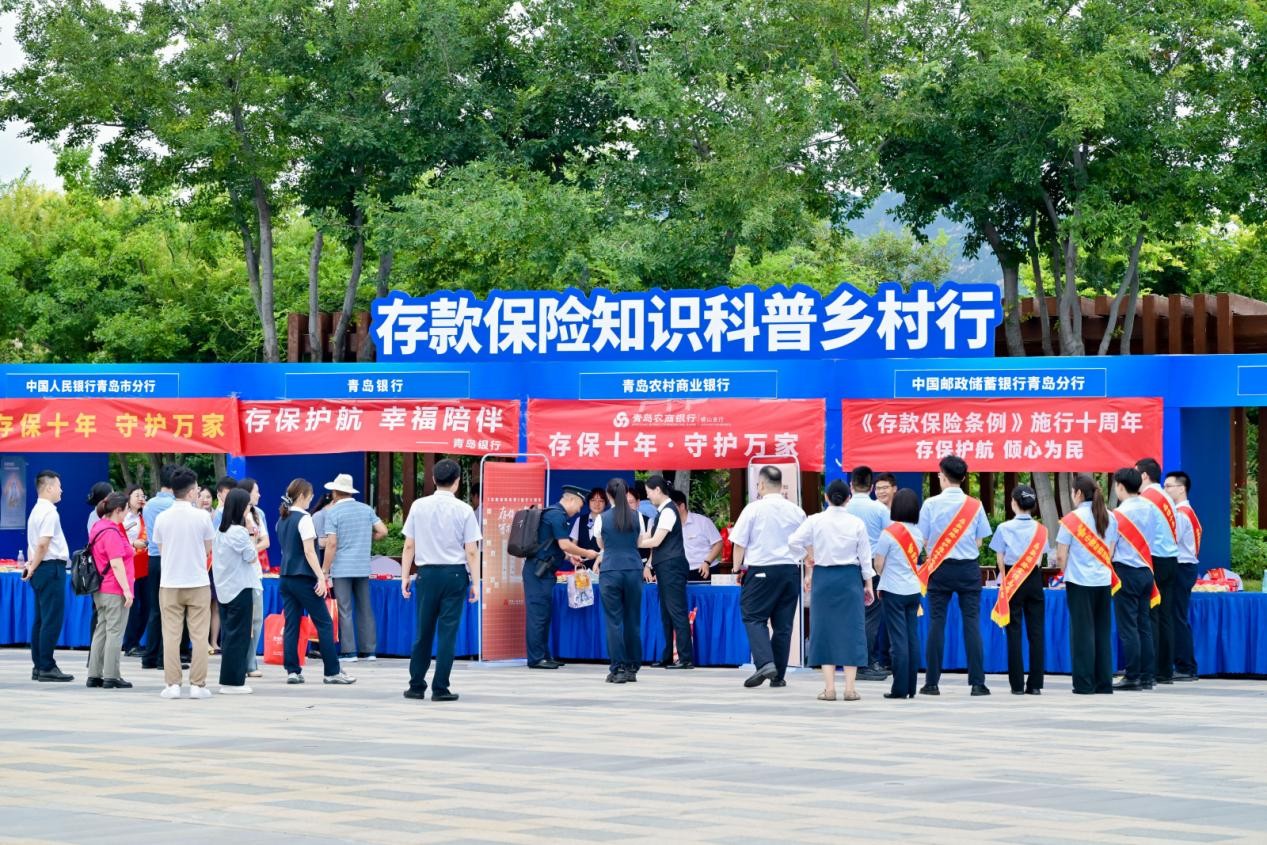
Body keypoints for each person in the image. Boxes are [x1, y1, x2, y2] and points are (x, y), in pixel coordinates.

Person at [401, 459, 480, 701]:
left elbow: (409, 545)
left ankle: (416, 686)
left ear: (434, 479)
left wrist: (404, 576)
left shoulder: (418, 506)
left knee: (423, 632)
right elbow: (471, 551)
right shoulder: (465, 510)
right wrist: (476, 582)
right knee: (448, 633)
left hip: (426, 574)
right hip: (455, 575)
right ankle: (440, 688)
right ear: (457, 482)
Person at [789, 480, 873, 702]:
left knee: (823, 630)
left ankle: (829, 689)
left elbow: (793, 541)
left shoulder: (815, 520)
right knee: (852, 630)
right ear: (848, 499)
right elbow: (865, 558)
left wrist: (807, 556)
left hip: (823, 578)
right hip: (850, 578)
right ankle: (850, 689)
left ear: (826, 498)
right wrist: (868, 584)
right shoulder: (857, 523)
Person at [917, 455, 993, 696]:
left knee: (936, 623)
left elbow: (923, 539)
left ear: (942, 476)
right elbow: (979, 542)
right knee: (972, 623)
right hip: (968, 569)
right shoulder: (975, 505)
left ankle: (931, 683)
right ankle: (978, 683)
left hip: (939, 568)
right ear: (963, 477)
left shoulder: (930, 504)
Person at [731, 465, 807, 689]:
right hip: (790, 570)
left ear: (761, 484)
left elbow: (739, 543)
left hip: (761, 569)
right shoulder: (796, 511)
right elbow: (806, 543)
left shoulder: (753, 509)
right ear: (781, 485)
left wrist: (736, 568)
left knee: (753, 617)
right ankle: (778, 676)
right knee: (783, 626)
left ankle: (765, 663)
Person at [277, 478, 354, 685]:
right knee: (324, 623)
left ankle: (292, 670)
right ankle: (332, 671)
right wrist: (321, 576)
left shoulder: (282, 519)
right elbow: (309, 551)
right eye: (310, 496)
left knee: (292, 624)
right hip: (304, 578)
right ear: (302, 496)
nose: (311, 500)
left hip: (285, 577)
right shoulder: (304, 519)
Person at [152, 466, 216, 699]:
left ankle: (173, 685)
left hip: (169, 583)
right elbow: (208, 548)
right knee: (200, 635)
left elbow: (161, 549)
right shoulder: (203, 517)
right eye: (197, 490)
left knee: (171, 634)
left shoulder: (162, 518)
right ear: (190, 493)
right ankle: (198, 685)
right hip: (197, 581)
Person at [1056, 474, 1119, 695]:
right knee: (1102, 632)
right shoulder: (1111, 517)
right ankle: (1104, 683)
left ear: (1079, 493)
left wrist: (1065, 572)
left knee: (1082, 633)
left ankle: (1084, 683)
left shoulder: (1071, 519)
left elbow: (1061, 555)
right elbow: (1110, 551)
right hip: (1103, 580)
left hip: (1079, 581)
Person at [523, 485, 599, 669]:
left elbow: (552, 546)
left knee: (544, 615)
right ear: (571, 500)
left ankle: (544, 655)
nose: (579, 511)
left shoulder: (555, 515)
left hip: (544, 571)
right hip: (538, 572)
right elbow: (565, 544)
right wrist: (586, 553)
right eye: (579, 505)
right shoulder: (557, 515)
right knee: (538, 616)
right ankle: (536, 658)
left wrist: (569, 557)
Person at [322, 473, 388, 663]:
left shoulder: (332, 513)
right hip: (362, 566)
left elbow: (331, 544)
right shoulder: (366, 509)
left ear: (335, 492)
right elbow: (383, 531)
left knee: (345, 609)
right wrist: (368, 537)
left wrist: (325, 569)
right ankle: (369, 651)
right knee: (365, 608)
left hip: (342, 567)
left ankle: (349, 651)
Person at [989, 485, 1048, 696]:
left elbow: (1000, 559)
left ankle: (1016, 685)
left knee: (1014, 631)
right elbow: (1039, 560)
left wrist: (1006, 580)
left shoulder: (1004, 528)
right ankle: (1035, 684)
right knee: (1036, 632)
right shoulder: (1041, 530)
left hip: (1013, 578)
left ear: (1014, 503)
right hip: (1034, 578)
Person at [1110, 467, 1161, 691]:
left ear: (1120, 486)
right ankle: (1148, 676)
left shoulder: (1118, 515)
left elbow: (1111, 547)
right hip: (1146, 570)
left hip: (1126, 571)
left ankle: (1132, 676)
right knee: (1144, 625)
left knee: (1128, 627)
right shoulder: (1151, 508)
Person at [638, 475, 696, 669]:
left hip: (672, 567)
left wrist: (632, 544)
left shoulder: (669, 511)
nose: (648, 497)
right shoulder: (662, 512)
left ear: (657, 490)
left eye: (648, 493)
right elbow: (650, 536)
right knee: (666, 613)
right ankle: (668, 656)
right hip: (665, 567)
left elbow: (656, 541)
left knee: (677, 612)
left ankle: (685, 658)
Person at [872, 488, 925, 699]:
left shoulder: (889, 533)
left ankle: (900, 689)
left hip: (893, 591)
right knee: (912, 638)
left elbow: (878, 564)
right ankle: (911, 687)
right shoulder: (918, 533)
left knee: (898, 641)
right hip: (913, 590)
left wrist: (883, 574)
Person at [594, 478, 647, 684]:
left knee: (613, 622)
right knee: (633, 620)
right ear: (626, 493)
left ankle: (618, 669)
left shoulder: (602, 518)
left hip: (610, 570)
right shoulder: (637, 516)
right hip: (633, 568)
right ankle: (633, 667)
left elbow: (601, 544)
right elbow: (640, 542)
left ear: (608, 495)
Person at [1135, 457, 1181, 684]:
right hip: (1171, 559)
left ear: (1144, 475)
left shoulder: (1146, 499)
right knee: (1165, 616)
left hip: (1155, 560)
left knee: (1151, 614)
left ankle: (1150, 670)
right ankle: (1165, 671)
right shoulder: (1166, 497)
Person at [24, 470, 72, 682]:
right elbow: (43, 544)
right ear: (49, 487)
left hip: (41, 569)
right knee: (51, 619)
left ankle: (39, 666)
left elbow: (33, 545)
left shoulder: (35, 511)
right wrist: (33, 566)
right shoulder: (50, 512)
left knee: (41, 620)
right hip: (51, 568)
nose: (61, 490)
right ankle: (46, 666)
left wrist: (31, 566)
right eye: (59, 486)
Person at [212, 488, 261, 694]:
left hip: (225, 589)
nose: (250, 508)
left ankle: (230, 680)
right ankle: (233, 683)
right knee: (239, 637)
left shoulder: (220, 531)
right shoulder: (238, 532)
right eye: (248, 505)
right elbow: (251, 556)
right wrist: (250, 532)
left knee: (231, 635)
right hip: (240, 588)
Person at [844, 466, 891, 681]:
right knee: (871, 615)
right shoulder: (880, 509)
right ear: (871, 487)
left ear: (851, 486)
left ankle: (851, 661)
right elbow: (889, 538)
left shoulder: (844, 509)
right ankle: (865, 663)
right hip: (873, 566)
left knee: (851, 615)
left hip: (846, 566)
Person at [86, 492, 136, 690]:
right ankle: (111, 675)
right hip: (114, 588)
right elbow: (116, 563)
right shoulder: (112, 532)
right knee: (115, 631)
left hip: (100, 588)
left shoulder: (98, 527)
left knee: (101, 630)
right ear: (117, 510)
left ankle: (94, 674)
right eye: (126, 510)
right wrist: (127, 590)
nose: (127, 514)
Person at [140, 465, 179, 670]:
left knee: (155, 609)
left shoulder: (149, 506)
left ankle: (150, 656)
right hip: (170, 559)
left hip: (153, 559)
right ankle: (165, 658)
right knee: (171, 610)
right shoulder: (175, 506)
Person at [1165, 471, 1200, 682]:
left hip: (1181, 567)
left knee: (1177, 617)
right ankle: (1182, 664)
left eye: (1168, 486)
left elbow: (1170, 541)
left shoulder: (1180, 514)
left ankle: (1186, 666)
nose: (1165, 490)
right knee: (1176, 616)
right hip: (1185, 567)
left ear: (1181, 488)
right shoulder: (1187, 511)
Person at [237, 477, 270, 678]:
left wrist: (250, 550)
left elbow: (266, 541)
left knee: (256, 620)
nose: (259, 494)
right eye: (256, 491)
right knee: (242, 620)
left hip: (255, 573)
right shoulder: (233, 515)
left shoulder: (258, 514)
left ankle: (250, 662)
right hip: (238, 575)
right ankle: (241, 662)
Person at [121, 484, 150, 655]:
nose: (141, 498)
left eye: (142, 495)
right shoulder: (123, 517)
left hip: (144, 566)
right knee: (133, 606)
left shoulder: (145, 517)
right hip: (129, 565)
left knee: (146, 606)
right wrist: (133, 543)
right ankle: (130, 644)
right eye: (137, 495)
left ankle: (136, 641)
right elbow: (117, 539)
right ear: (128, 498)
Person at [675, 490, 722, 582]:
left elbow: (718, 543)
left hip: (705, 569)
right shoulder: (670, 526)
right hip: (682, 572)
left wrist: (707, 562)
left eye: (672, 507)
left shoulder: (703, 522)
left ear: (682, 506)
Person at [568, 488, 607, 558]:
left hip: (604, 563)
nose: (597, 504)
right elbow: (574, 544)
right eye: (593, 500)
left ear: (606, 504)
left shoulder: (609, 521)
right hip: (581, 563)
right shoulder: (580, 520)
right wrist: (575, 556)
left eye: (601, 501)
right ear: (588, 502)